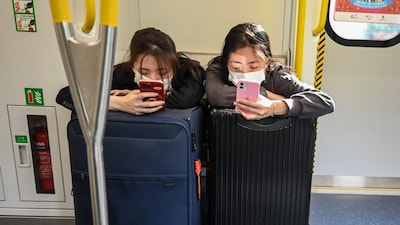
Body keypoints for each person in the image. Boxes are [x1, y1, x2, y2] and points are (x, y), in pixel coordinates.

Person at [56, 27, 205, 115]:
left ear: (174, 64)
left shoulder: (188, 71)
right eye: (144, 72)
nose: (153, 78)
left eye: (163, 72)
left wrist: (139, 96)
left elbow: (184, 99)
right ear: (133, 66)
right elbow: (66, 94)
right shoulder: (123, 74)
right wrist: (117, 102)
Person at [204, 22, 334, 120]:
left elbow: (324, 101)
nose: (244, 72)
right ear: (226, 61)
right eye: (236, 66)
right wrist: (267, 94)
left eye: (254, 66)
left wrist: (275, 107)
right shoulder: (218, 69)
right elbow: (217, 95)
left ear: (267, 61)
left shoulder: (276, 76)